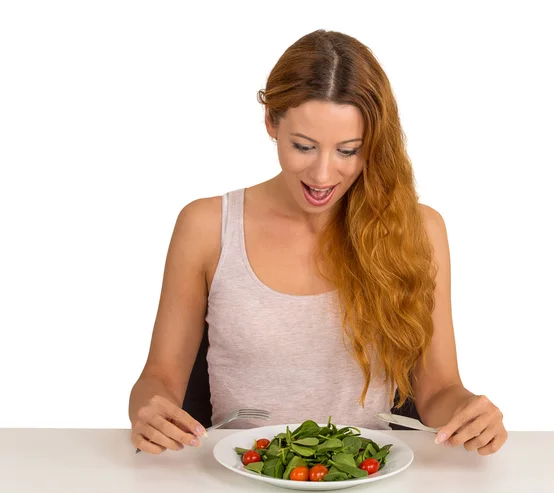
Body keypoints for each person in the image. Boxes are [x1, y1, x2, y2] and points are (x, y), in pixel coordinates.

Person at [129, 29, 507, 456]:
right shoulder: (206, 226)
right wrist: (149, 410)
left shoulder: (419, 229)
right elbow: (159, 377)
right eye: (304, 146)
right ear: (271, 121)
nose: (324, 175)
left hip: (369, 474)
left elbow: (440, 390)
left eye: (348, 150)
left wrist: (469, 412)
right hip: (237, 471)